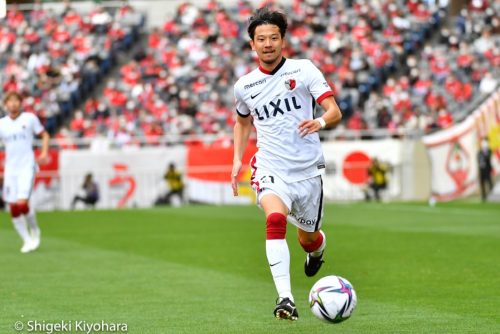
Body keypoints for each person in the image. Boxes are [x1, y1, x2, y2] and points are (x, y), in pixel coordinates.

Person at [231, 8, 342, 321]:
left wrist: (319, 122)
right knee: (275, 220)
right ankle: (285, 299)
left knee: (309, 237)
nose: (268, 44)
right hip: (269, 167)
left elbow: (334, 111)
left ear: (283, 40)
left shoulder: (303, 70)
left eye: (273, 38)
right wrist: (238, 158)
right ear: (252, 45)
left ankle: (316, 251)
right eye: (261, 39)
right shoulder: (245, 86)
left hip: (307, 173)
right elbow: (242, 123)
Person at [0, 91, 49, 253]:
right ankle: (27, 240)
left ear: (20, 103)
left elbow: (44, 135)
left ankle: (34, 229)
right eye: (10, 101)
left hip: (26, 166)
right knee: (13, 208)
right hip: (10, 169)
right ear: (5, 104)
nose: (13, 104)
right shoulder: (2, 124)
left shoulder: (29, 119)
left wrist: (43, 153)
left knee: (22, 204)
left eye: (16, 101)